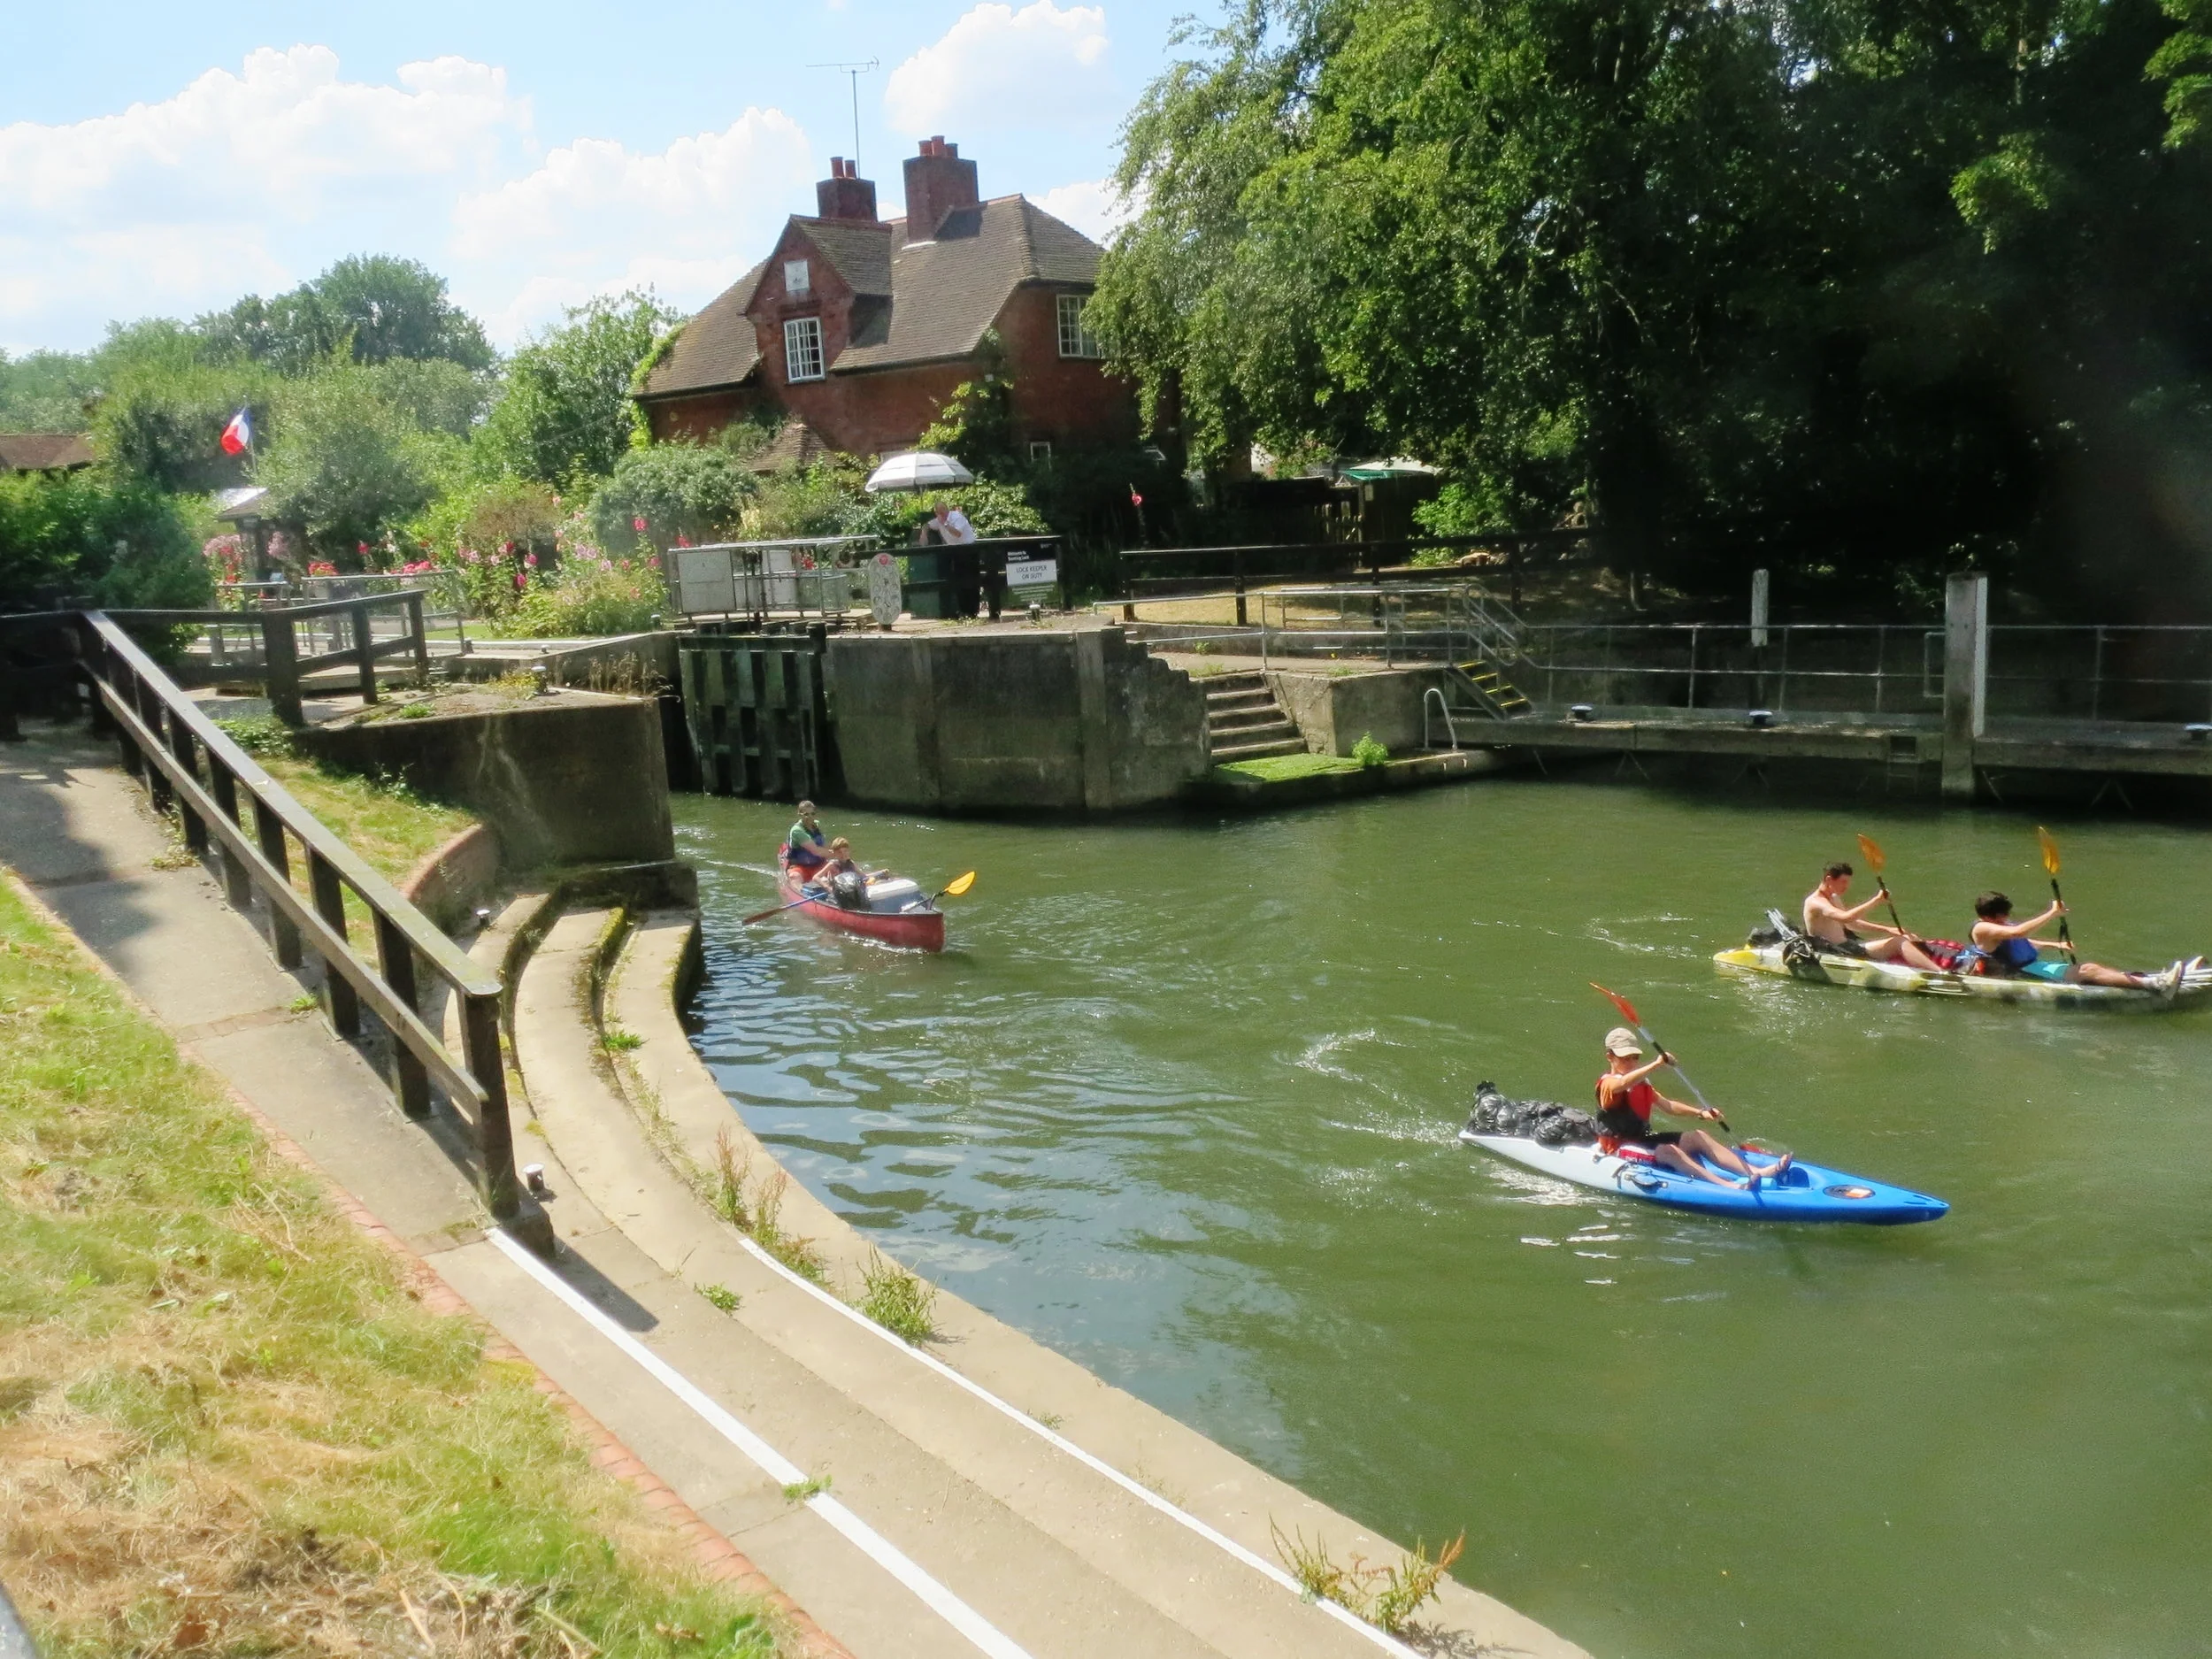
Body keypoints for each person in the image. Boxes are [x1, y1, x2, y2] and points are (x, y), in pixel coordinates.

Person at [1594, 1028, 1790, 1190]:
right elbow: (1619, 1085)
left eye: (1634, 1057)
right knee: (1668, 1150)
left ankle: (1755, 1171)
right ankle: (1729, 1186)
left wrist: (1700, 1113)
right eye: (1625, 1058)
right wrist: (1656, 1064)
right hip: (1617, 1148)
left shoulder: (1641, 1083)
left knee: (1698, 1136)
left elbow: (1668, 1106)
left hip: (1641, 1140)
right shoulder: (1607, 1085)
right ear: (1609, 1056)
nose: (1631, 1062)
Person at [1966, 892, 2188, 995]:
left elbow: (2022, 940)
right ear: (1987, 916)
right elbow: (2017, 933)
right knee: (2087, 970)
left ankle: (2143, 980)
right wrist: (2052, 913)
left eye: (2005, 915)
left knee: (2092, 968)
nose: (2004, 919)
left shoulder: (1996, 925)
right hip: (2018, 975)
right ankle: (2157, 985)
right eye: (2000, 917)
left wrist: (2056, 945)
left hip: (2031, 967)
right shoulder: (1982, 929)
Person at [1803, 860, 1942, 970]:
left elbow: (1852, 924)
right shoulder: (1815, 902)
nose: (1846, 886)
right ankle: (1940, 973)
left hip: (1849, 946)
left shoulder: (1833, 897)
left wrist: (1887, 929)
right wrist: (1876, 900)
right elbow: (1846, 917)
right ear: (1829, 880)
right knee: (1900, 942)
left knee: (1907, 937)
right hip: (1835, 952)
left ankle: (1940, 964)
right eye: (1843, 882)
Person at [784, 801, 828, 874]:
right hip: (799, 866)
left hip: (818, 864)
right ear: (800, 814)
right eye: (806, 814)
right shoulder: (797, 830)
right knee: (795, 876)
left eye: (812, 814)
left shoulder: (817, 824)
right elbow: (816, 851)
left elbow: (824, 846)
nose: (810, 817)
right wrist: (838, 853)